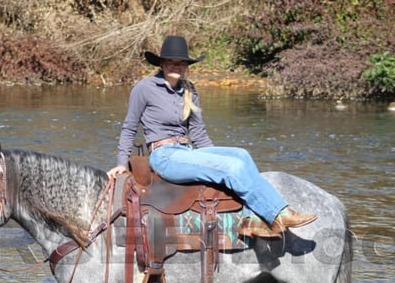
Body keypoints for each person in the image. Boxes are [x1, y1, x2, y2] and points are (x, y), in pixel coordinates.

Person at [106, 35, 316, 238]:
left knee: (240, 156)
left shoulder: (189, 90)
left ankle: (252, 219)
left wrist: (214, 158)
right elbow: (129, 127)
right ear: (161, 64)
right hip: (164, 156)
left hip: (185, 151)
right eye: (171, 62)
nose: (176, 67)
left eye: (181, 63)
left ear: (187, 66)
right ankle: (279, 213)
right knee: (232, 168)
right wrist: (122, 163)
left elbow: (198, 133)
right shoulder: (144, 89)